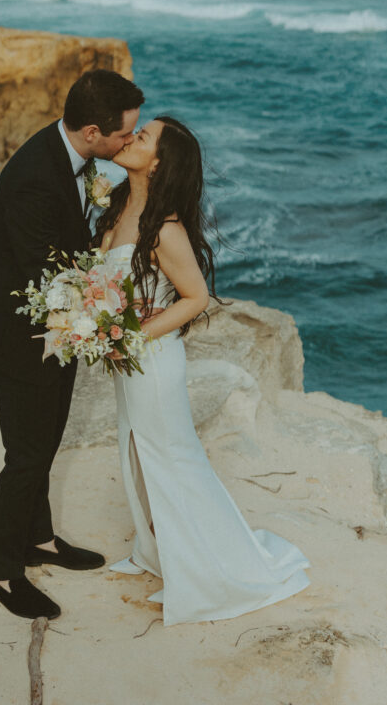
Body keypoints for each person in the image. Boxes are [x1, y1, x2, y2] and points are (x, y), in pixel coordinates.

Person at [96, 116, 310, 626]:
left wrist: (131, 335)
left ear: (157, 164)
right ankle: (157, 552)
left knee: (173, 458)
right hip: (128, 360)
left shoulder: (165, 229)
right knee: (136, 450)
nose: (129, 138)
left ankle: (212, 574)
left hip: (152, 361)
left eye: (142, 138)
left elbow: (194, 298)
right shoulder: (120, 207)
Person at [0, 68, 144, 620]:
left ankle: (38, 539)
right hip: (20, 334)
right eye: (123, 134)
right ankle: (1, 573)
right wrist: (110, 312)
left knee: (46, 442)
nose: (129, 142)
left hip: (55, 327)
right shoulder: (34, 177)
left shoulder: (71, 155)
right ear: (92, 132)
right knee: (26, 456)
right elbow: (44, 272)